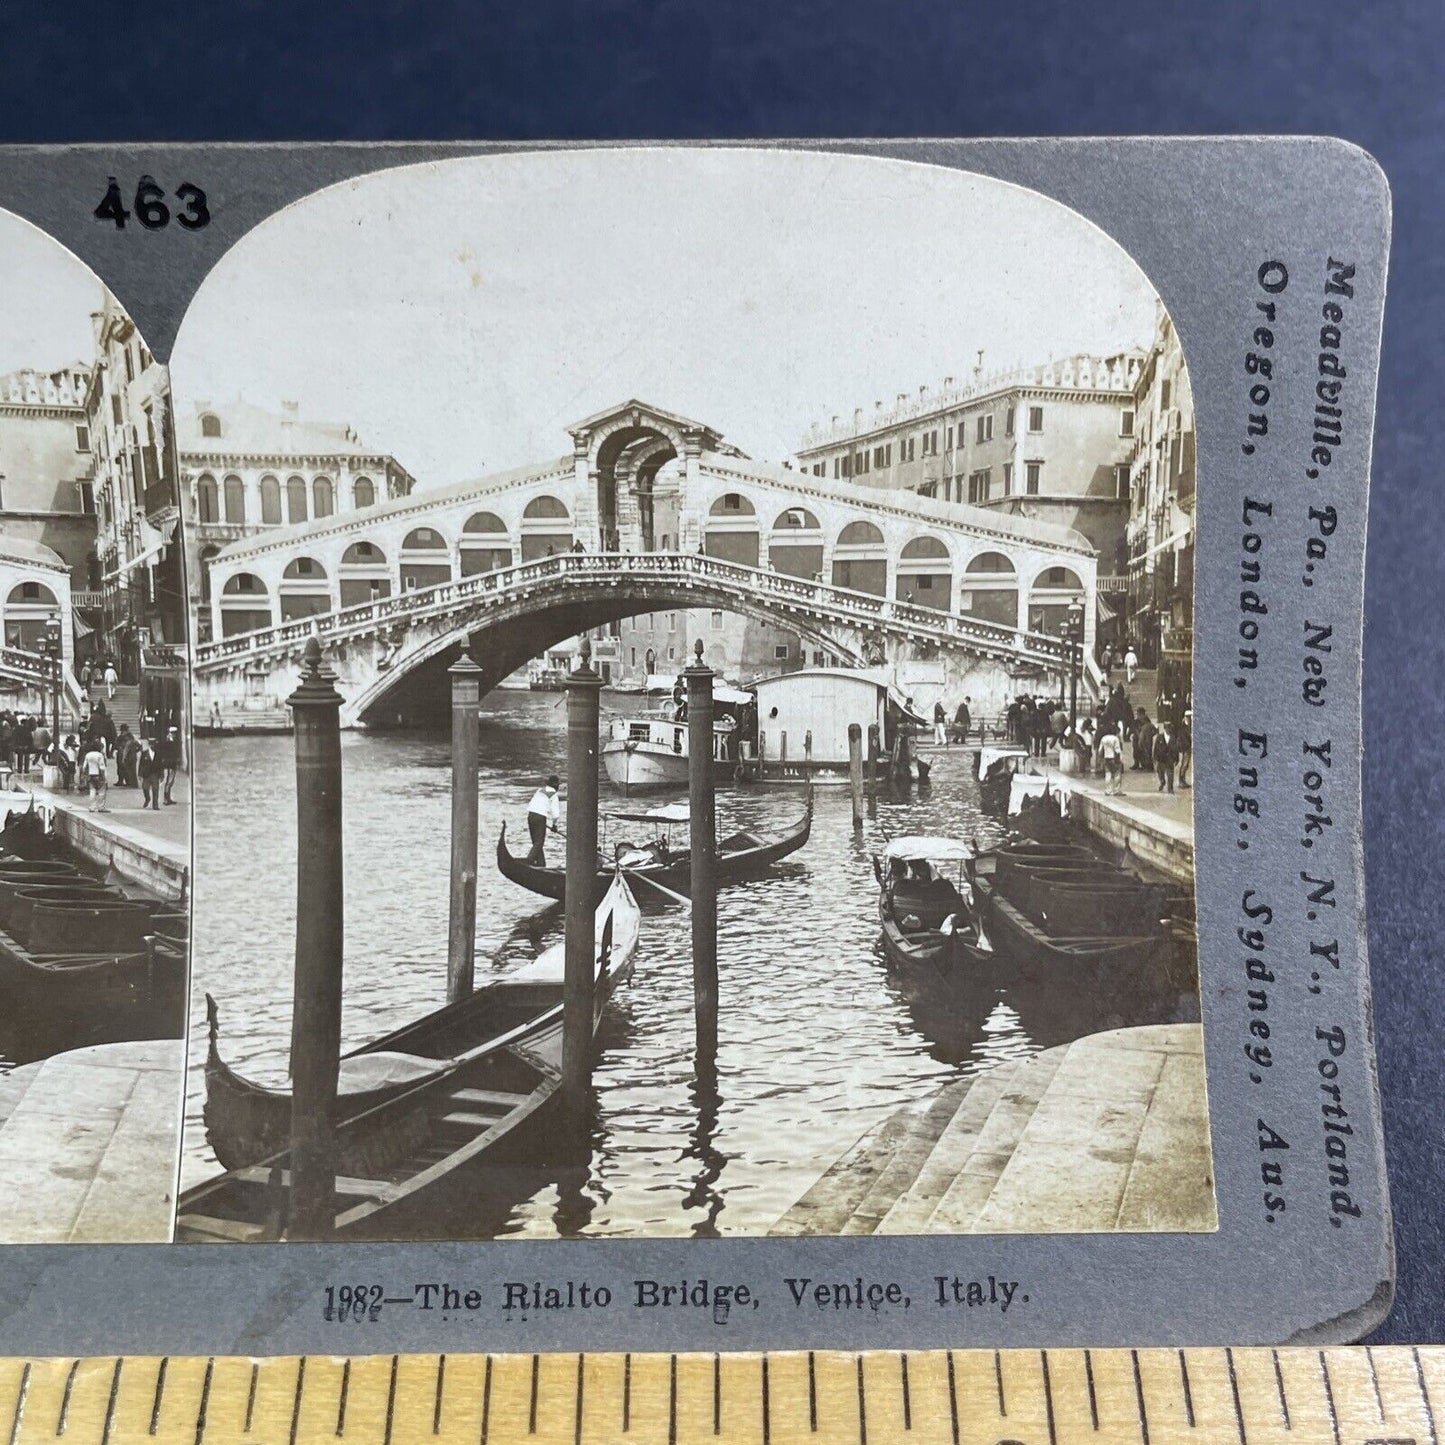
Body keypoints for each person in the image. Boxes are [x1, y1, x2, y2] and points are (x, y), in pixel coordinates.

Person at [526, 775, 561, 864]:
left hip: (530, 815)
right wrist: (554, 825)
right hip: (540, 817)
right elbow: (555, 814)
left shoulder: (540, 790)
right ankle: (529, 860)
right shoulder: (553, 794)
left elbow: (533, 804)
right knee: (539, 842)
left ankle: (541, 863)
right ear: (556, 786)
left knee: (536, 843)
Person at [80, 739, 108, 811]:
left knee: (92, 791)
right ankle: (101, 807)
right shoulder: (99, 755)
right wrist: (104, 777)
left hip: (90, 775)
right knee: (101, 792)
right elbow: (102, 766)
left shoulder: (88, 755)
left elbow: (84, 767)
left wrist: (84, 775)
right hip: (99, 775)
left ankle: (92, 807)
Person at [1099, 723, 1124, 795]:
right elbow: (1117, 750)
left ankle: (1108, 790)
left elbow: (1100, 750)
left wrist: (1101, 759)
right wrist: (1120, 760)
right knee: (1117, 774)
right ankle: (1116, 790)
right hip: (1115, 758)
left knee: (1108, 774)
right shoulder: (1115, 738)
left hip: (1106, 758)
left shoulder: (1103, 738)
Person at [1154, 720, 1177, 794]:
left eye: (1170, 728)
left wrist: (1176, 759)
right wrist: (1155, 758)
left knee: (1170, 775)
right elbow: (1156, 748)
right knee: (1160, 773)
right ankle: (1162, 782)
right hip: (1161, 759)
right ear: (1165, 728)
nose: (1169, 729)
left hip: (1170, 759)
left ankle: (1170, 788)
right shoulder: (1159, 737)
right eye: (1167, 728)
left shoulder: (1173, 737)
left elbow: (1176, 748)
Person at [158, 726, 181, 804]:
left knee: (170, 782)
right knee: (168, 781)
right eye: (173, 733)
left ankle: (168, 798)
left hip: (171, 764)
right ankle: (166, 799)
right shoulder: (168, 742)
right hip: (168, 764)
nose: (174, 735)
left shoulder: (171, 741)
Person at [138, 739, 162, 810]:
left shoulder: (158, 754)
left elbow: (161, 765)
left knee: (155, 789)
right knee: (145, 788)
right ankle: (147, 798)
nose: (153, 746)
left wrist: (161, 775)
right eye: (152, 744)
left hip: (155, 774)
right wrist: (140, 774)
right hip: (146, 774)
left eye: (154, 744)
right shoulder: (144, 753)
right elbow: (141, 764)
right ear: (149, 745)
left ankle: (155, 805)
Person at [1177, 710, 1193, 789]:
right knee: (1184, 764)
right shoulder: (1183, 726)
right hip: (1185, 748)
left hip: (1187, 747)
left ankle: (1182, 780)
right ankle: (1181, 781)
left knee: (1185, 764)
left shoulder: (1188, 725)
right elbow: (1183, 737)